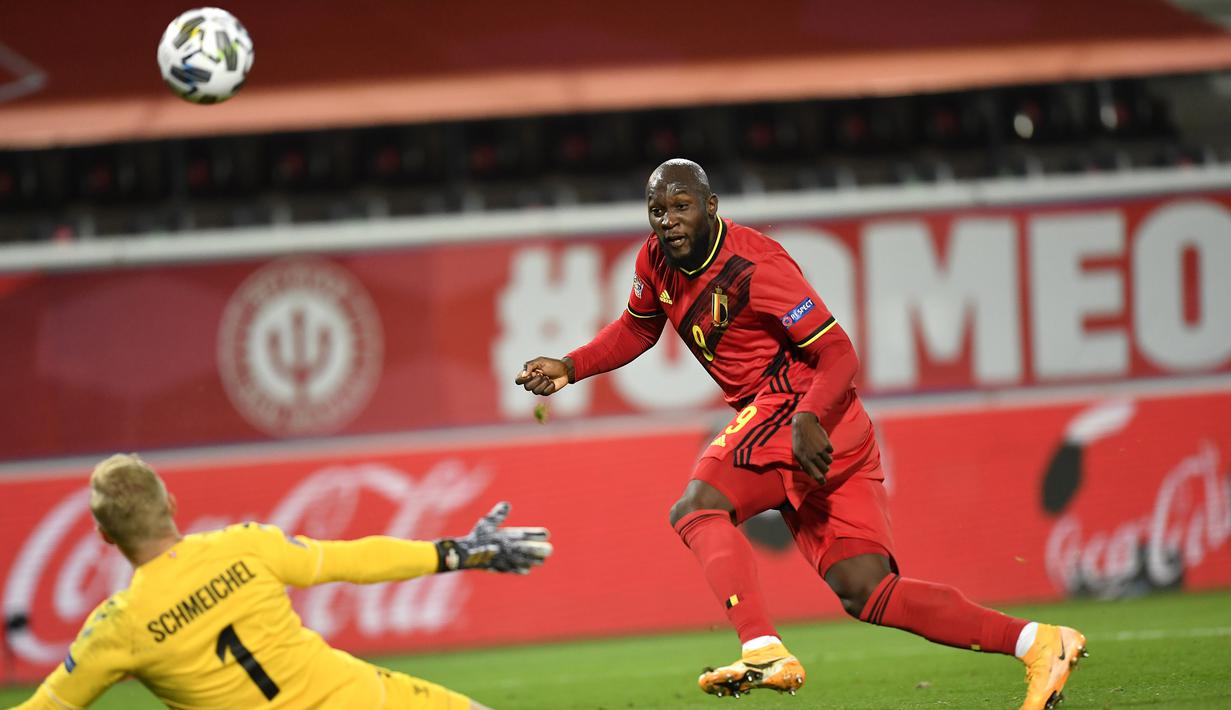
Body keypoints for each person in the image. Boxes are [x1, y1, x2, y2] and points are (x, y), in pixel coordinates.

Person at [515, 159, 1085, 709]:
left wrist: (809, 416)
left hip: (798, 409)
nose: (667, 221)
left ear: (712, 207)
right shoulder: (656, 261)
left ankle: (761, 648)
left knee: (696, 508)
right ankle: (1037, 642)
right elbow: (637, 329)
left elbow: (838, 352)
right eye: (656, 210)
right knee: (868, 591)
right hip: (829, 432)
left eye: (681, 207)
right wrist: (570, 366)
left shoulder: (756, 266)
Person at [14, 453, 552, 710]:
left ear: (104, 537)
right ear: (171, 504)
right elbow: (355, 560)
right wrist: (457, 552)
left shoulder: (117, 628)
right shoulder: (245, 546)